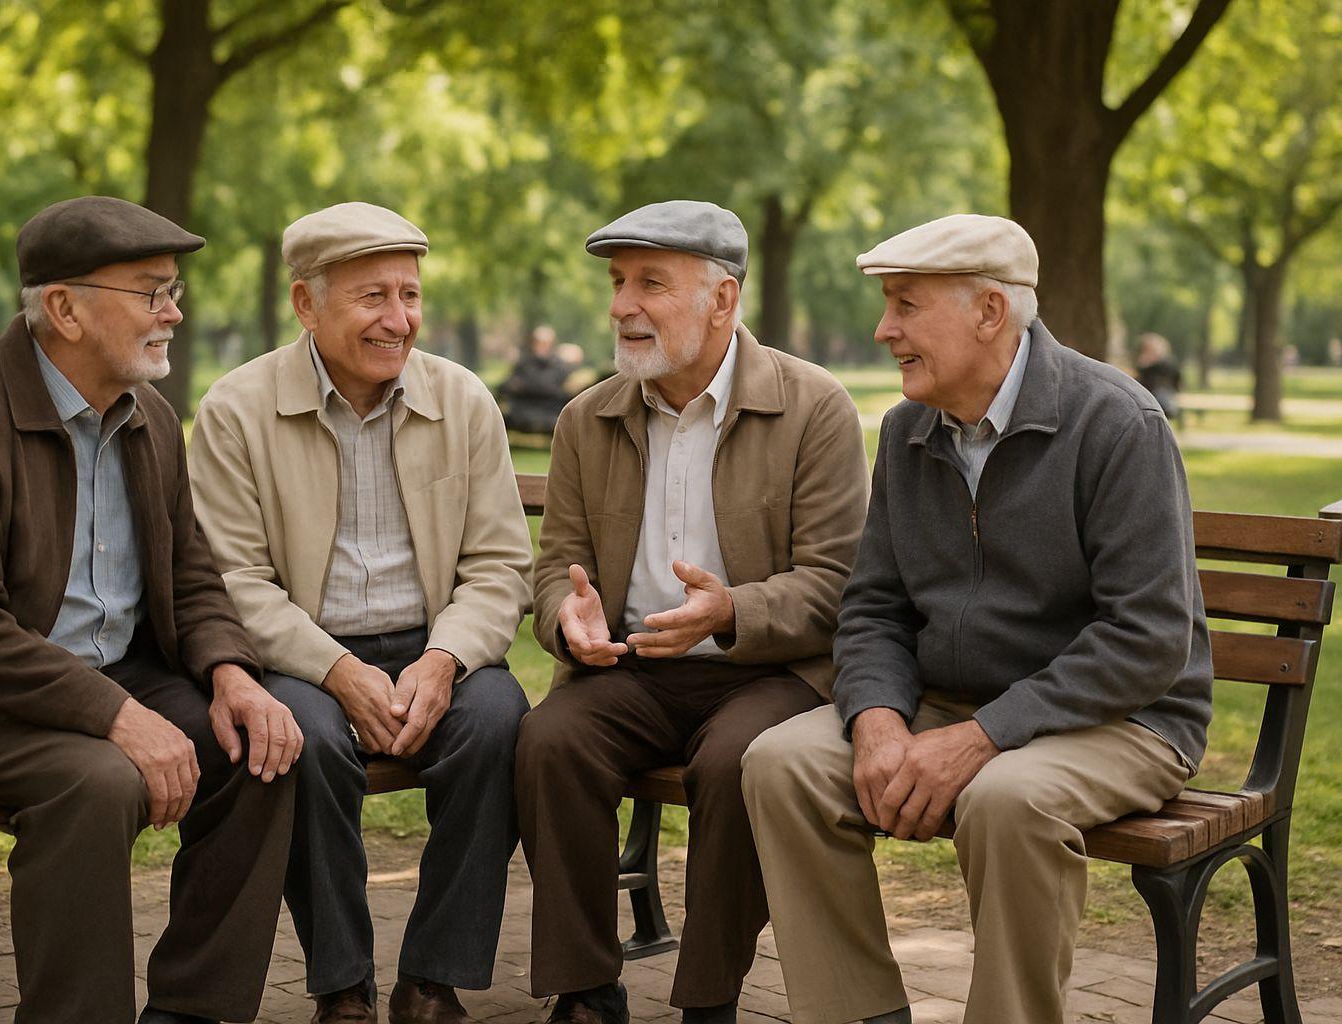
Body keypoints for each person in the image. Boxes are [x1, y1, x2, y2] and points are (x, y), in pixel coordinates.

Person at [0, 196, 304, 1024]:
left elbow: (191, 571)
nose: (173, 312)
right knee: (95, 783)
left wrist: (233, 674)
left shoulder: (149, 415)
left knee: (263, 751)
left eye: (174, 290)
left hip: (103, 677)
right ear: (63, 308)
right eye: (151, 292)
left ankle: (193, 1011)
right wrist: (117, 716)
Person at [742, 214, 1212, 1024]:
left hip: (1123, 719)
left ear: (990, 312)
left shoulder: (1117, 423)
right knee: (780, 764)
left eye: (905, 306)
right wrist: (880, 720)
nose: (884, 330)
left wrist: (984, 734)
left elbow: (1149, 637)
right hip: (949, 704)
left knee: (1006, 800)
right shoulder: (906, 430)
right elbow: (875, 607)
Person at [516, 200, 870, 1024]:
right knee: (547, 738)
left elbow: (838, 583)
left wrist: (729, 613)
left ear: (722, 299)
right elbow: (549, 572)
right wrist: (568, 621)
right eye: (616, 283)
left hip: (771, 672)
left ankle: (708, 999)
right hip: (635, 670)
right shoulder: (585, 417)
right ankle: (586, 988)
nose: (621, 306)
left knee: (736, 763)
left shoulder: (813, 406)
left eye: (650, 283)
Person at [189, 202, 534, 1024]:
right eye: (373, 297)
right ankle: (342, 985)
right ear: (307, 305)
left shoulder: (463, 399)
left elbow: (498, 566)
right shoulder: (237, 409)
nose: (399, 319)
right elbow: (234, 579)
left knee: (500, 721)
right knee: (297, 739)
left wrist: (445, 660)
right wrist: (338, 672)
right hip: (303, 652)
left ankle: (432, 979)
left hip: (433, 644)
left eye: (410, 294)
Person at [498, 324, 572, 434]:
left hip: (550, 410)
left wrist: (525, 386)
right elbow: (507, 386)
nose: (542, 346)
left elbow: (559, 390)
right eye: (538, 342)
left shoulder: (560, 366)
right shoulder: (523, 363)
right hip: (523, 410)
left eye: (545, 343)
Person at [1134, 331, 1182, 423]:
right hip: (1147, 403)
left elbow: (1176, 381)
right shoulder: (1144, 366)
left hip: (1160, 401)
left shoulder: (1165, 365)